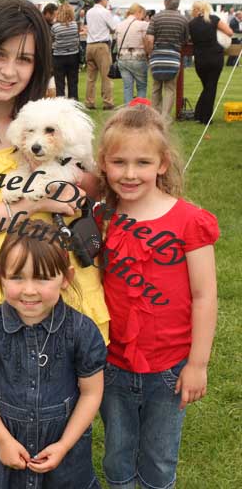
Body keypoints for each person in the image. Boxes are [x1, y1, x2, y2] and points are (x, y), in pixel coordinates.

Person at [0, 0, 110, 339]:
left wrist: (79, 181)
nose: (9, 71)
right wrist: (37, 202)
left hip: (78, 285)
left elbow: (92, 186)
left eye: (24, 59)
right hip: (16, 301)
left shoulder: (44, 115)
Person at [96, 103, 219, 489]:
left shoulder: (189, 221)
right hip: (111, 365)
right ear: (103, 164)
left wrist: (197, 364)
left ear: (163, 164)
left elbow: (204, 295)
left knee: (159, 457)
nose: (130, 174)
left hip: (170, 369)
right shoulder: (100, 217)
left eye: (143, 163)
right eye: (118, 162)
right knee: (117, 453)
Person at [0, 231, 106, 488]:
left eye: (43, 278)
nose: (29, 290)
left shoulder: (82, 331)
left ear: (66, 278)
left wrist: (64, 445)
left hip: (61, 445)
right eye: (16, 277)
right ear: (0, 278)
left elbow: (91, 394)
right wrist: (3, 440)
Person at [188, 1, 233, 124]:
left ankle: (199, 114)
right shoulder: (213, 19)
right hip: (214, 57)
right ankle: (206, 118)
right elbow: (230, 32)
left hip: (200, 59)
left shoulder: (191, 24)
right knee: (211, 87)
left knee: (207, 87)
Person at [145, 0, 188, 120]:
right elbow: (185, 40)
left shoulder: (156, 18)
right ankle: (165, 118)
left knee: (156, 87)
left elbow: (149, 38)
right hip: (173, 56)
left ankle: (155, 116)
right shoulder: (183, 19)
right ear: (177, 5)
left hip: (157, 56)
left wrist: (149, 54)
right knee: (170, 88)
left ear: (165, 3)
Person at [85, 0, 118, 110]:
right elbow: (114, 28)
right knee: (106, 76)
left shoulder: (89, 12)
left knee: (90, 78)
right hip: (101, 46)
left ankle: (89, 102)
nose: (107, 1)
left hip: (89, 45)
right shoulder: (105, 12)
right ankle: (107, 102)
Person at [115, 3, 151, 105]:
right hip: (138, 57)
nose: (143, 18)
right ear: (138, 12)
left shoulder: (119, 25)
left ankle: (128, 111)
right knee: (141, 86)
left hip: (122, 58)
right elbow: (147, 41)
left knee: (127, 87)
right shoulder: (142, 25)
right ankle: (139, 112)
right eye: (143, 15)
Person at [51, 3, 80, 100]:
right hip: (73, 56)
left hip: (58, 57)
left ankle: (61, 103)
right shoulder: (75, 25)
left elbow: (52, 40)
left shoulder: (55, 27)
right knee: (73, 82)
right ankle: (74, 102)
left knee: (60, 84)